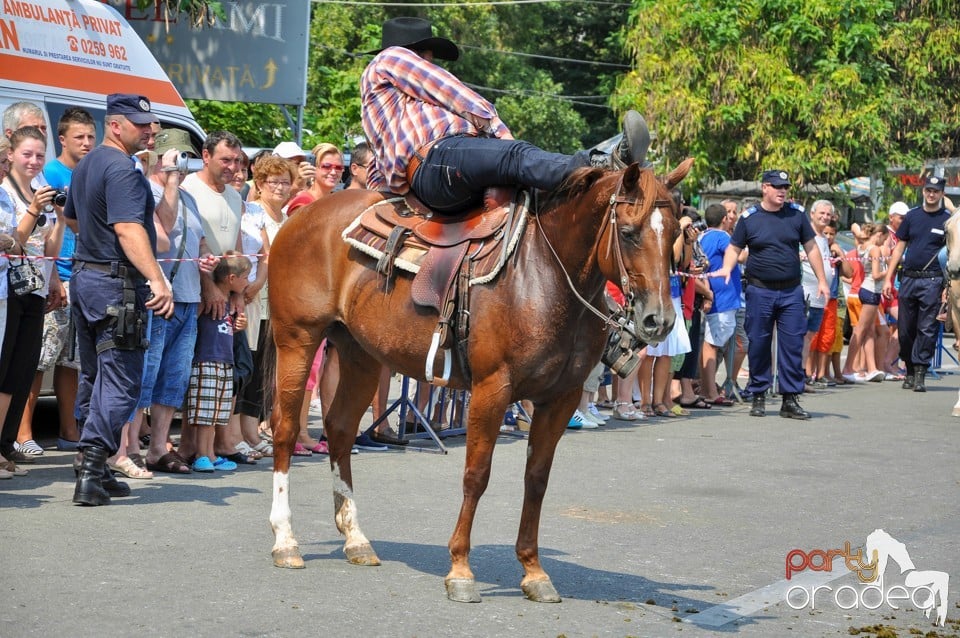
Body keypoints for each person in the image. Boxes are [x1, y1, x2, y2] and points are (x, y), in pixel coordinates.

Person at [360, 17, 648, 213]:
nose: (432, 63)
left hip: (435, 173)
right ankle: (600, 161)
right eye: (429, 55)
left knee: (532, 193)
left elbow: (378, 164)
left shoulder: (386, 105)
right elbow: (450, 91)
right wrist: (499, 132)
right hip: (436, 158)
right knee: (516, 156)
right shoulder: (391, 58)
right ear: (416, 53)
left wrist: (386, 198)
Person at [64, 93, 174, 506]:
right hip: (116, 285)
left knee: (96, 375)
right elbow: (129, 230)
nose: (150, 130)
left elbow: (72, 217)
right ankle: (92, 468)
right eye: (139, 123)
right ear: (115, 125)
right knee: (123, 382)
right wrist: (158, 280)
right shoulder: (123, 170)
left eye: (150, 123)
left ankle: (92, 464)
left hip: (87, 279)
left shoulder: (87, 164)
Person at [716, 170, 829, 420]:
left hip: (791, 291)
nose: (782, 191)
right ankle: (758, 395)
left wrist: (822, 280)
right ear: (764, 188)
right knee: (758, 343)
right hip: (760, 291)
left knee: (792, 345)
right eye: (777, 186)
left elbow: (811, 248)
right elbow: (735, 247)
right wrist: (726, 268)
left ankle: (790, 399)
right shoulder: (749, 218)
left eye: (785, 187)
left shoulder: (796, 215)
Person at [15, 107, 96, 456]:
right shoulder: (49, 173)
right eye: (79, 137)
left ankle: (68, 428)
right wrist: (55, 279)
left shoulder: (89, 172)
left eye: (91, 136)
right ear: (61, 139)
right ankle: (22, 432)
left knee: (70, 360)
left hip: (81, 276)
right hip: (54, 276)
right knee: (39, 359)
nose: (87, 143)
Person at [178, 130, 246, 463]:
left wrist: (238, 295)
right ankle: (189, 446)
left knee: (216, 373)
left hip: (224, 295)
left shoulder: (235, 197)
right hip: (194, 291)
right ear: (205, 156)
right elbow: (193, 245)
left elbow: (238, 250)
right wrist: (208, 286)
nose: (232, 167)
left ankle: (209, 448)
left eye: (236, 160)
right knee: (194, 373)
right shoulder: (188, 189)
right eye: (225, 160)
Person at [0, 126, 65, 467]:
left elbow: (50, 247)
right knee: (5, 363)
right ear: (10, 154)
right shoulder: (6, 193)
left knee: (24, 367)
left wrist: (62, 219)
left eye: (40, 155)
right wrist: (35, 210)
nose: (34, 161)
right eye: (27, 154)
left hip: (36, 286)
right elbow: (14, 241)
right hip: (9, 287)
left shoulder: (42, 190)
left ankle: (7, 440)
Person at [882, 176, 951, 392]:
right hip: (909, 279)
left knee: (927, 328)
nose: (931, 194)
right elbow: (899, 249)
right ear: (923, 191)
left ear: (942, 194)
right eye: (929, 190)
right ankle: (909, 368)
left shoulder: (947, 220)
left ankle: (920, 371)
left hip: (932, 280)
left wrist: (947, 286)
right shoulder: (911, 216)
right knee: (905, 329)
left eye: (936, 191)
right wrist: (888, 278)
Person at [184, 251, 250, 473]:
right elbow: (193, 320)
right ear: (232, 279)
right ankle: (201, 455)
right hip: (206, 361)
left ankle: (210, 453)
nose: (248, 282)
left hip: (224, 361)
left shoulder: (231, 303)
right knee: (204, 413)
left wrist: (239, 325)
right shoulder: (207, 300)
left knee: (216, 413)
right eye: (245, 277)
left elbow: (228, 327)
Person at [698, 203, 742, 406]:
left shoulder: (702, 236)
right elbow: (739, 255)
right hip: (721, 298)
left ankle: (706, 388)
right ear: (724, 219)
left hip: (711, 295)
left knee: (709, 343)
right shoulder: (723, 237)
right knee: (712, 345)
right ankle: (710, 391)